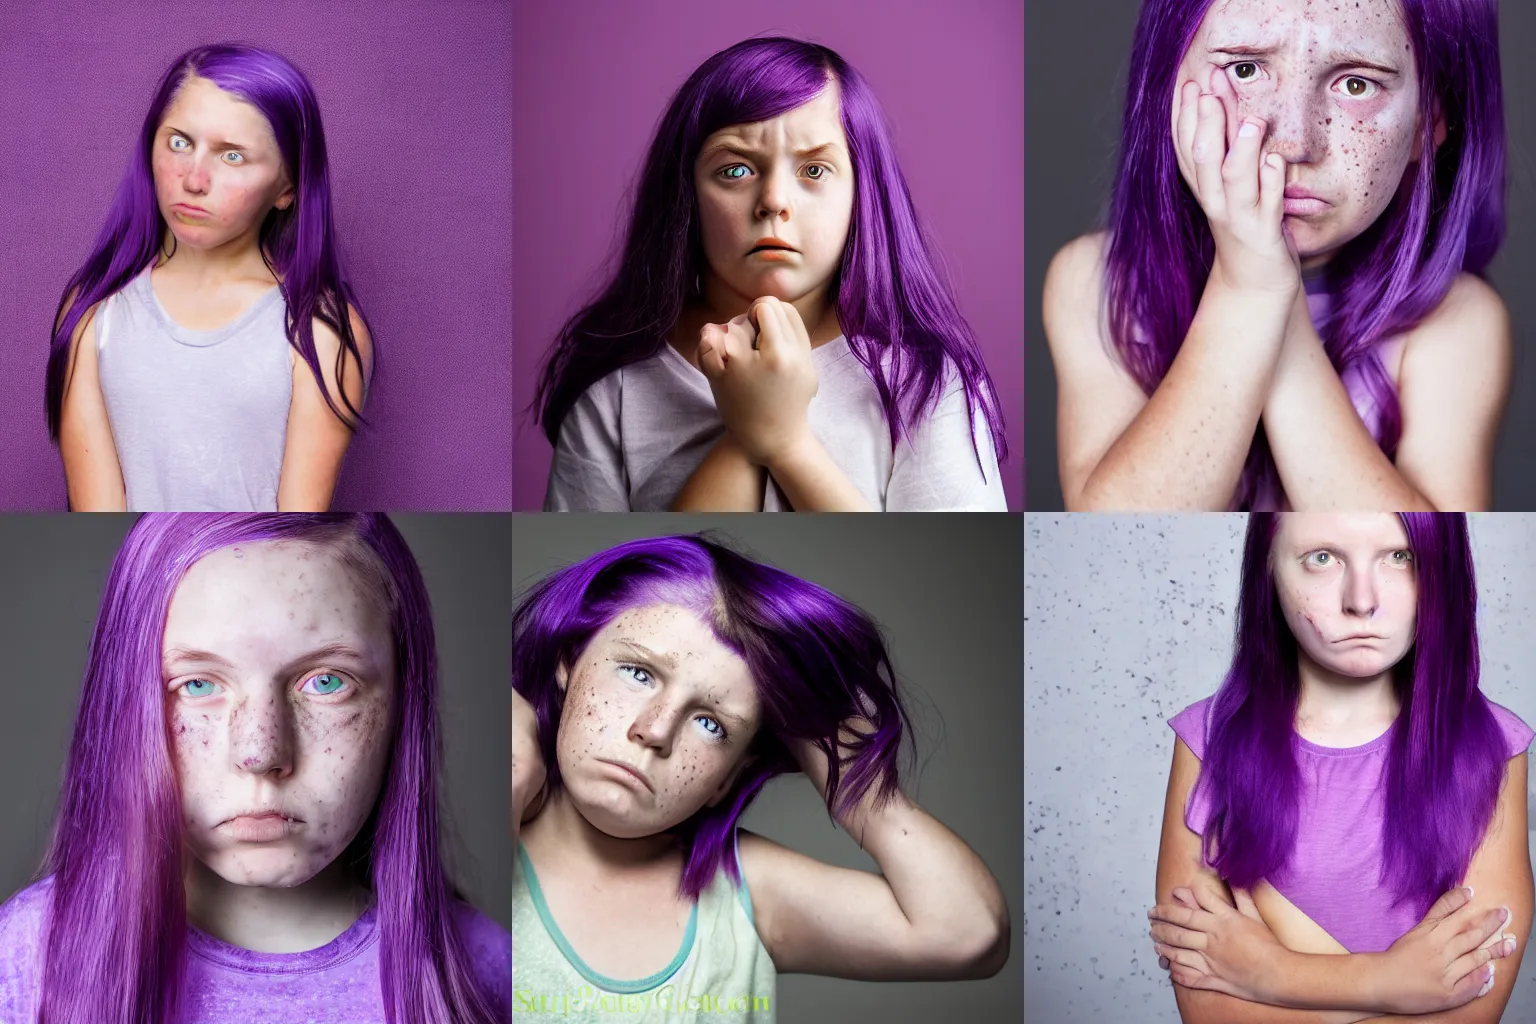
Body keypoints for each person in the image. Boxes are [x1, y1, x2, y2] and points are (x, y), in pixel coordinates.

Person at [0, 514, 509, 1023]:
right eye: (197, 685)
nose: (260, 754)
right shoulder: (25, 961)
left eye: (327, 682)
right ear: (126, 707)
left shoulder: (494, 977)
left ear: (403, 703)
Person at [511, 535, 1010, 1020]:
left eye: (711, 724)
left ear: (731, 775)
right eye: (639, 674)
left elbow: (970, 934)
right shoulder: (483, 832)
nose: (656, 730)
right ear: (568, 661)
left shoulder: (744, 892)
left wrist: (865, 797)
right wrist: (513, 767)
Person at [1043, 0, 1509, 511]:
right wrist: (1247, 290)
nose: (1292, 141)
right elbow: (1120, 539)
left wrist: (1267, 292)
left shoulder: (1456, 322)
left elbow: (1427, 567)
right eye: (1245, 69)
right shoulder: (1100, 286)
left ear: (1430, 120)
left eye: (1357, 84)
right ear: (1168, 87)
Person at [535, 37, 1008, 512]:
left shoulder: (924, 382)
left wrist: (785, 442)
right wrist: (749, 433)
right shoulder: (614, 391)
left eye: (816, 170)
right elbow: (663, 564)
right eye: (736, 171)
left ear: (862, 194)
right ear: (685, 196)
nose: (775, 201)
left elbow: (912, 572)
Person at [1149, 513, 1531, 1021]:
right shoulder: (1207, 741)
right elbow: (1211, 1014)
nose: (1362, 601)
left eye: (1401, 557)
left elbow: (1471, 1013)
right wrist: (1390, 985)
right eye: (1322, 559)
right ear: (1269, 570)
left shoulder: (1494, 748)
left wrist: (1268, 971)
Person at [48, 44, 373, 511]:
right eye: (179, 142)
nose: (194, 179)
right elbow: (96, 513)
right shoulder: (94, 310)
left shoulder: (319, 332)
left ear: (287, 188)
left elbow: (294, 533)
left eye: (233, 156)